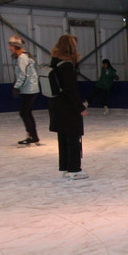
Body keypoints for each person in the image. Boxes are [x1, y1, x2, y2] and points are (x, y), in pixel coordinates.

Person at [48, 34, 88, 179]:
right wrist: (80, 108)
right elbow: (70, 89)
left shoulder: (55, 62)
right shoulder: (67, 65)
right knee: (73, 137)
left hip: (56, 105)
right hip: (68, 107)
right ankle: (74, 169)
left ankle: (65, 167)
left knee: (63, 137)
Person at [9, 35, 40, 146]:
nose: (9, 48)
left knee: (24, 113)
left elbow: (24, 75)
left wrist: (16, 87)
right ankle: (33, 136)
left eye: (11, 45)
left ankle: (32, 136)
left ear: (15, 46)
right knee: (26, 113)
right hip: (28, 88)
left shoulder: (22, 58)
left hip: (29, 89)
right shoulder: (20, 57)